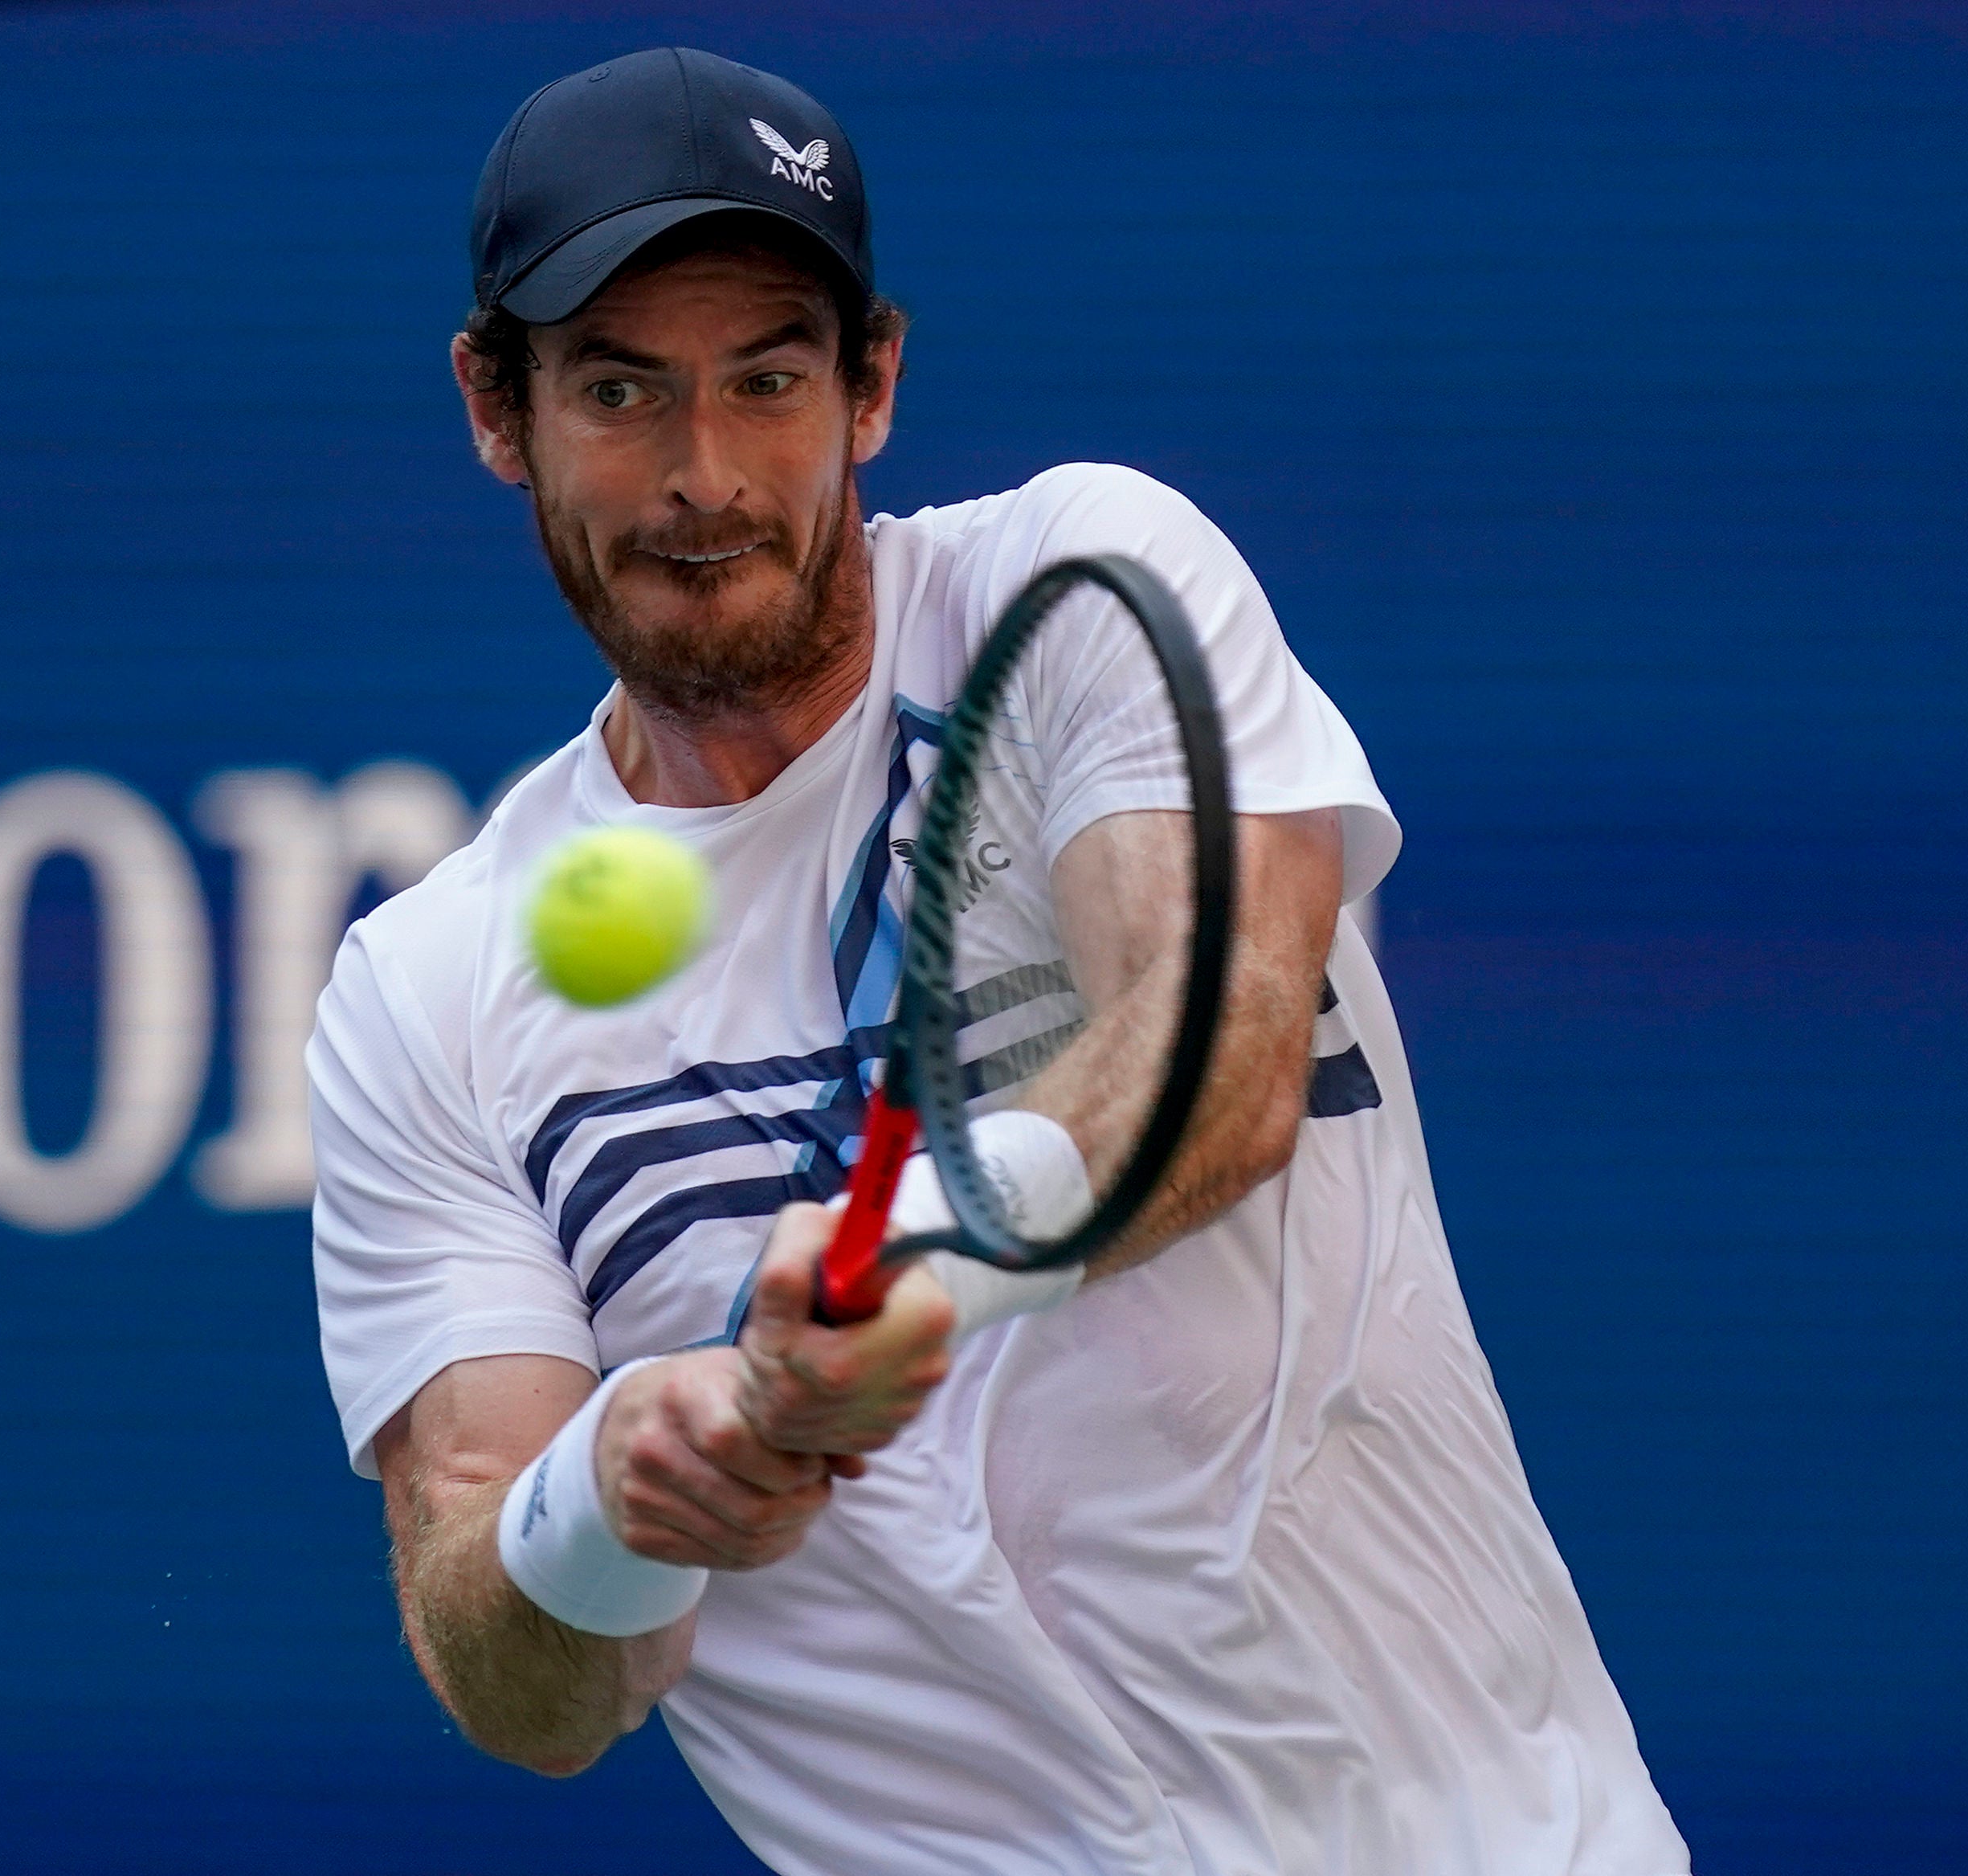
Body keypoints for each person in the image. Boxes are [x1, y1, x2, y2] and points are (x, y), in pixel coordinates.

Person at [308, 46, 1688, 1876]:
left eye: (769, 381)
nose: (701, 474)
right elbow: (515, 1677)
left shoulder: (1082, 586)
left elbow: (1216, 1045)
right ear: (499, 408)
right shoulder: (423, 993)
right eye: (621, 390)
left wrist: (915, 1276)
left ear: (872, 383)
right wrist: (611, 1492)